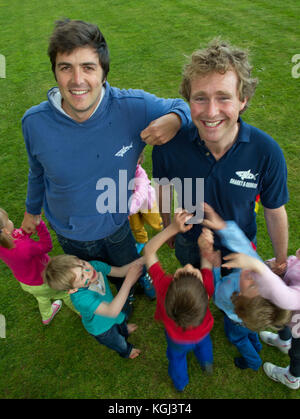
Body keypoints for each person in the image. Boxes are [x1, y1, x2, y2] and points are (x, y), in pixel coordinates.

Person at [21, 19, 191, 312]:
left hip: (116, 224)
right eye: (66, 67)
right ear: (55, 72)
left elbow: (185, 106)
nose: (77, 80)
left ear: (103, 71)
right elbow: (37, 172)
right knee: (95, 277)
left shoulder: (133, 107)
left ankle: (139, 287)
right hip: (69, 232)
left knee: (128, 264)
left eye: (88, 67)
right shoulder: (34, 123)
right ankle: (117, 297)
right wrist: (31, 211)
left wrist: (175, 119)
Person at [152, 38, 289, 274]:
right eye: (200, 98)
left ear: (243, 100)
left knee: (237, 304)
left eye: (224, 97)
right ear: (189, 100)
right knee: (197, 298)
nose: (211, 111)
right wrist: (168, 227)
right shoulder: (168, 147)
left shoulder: (266, 152)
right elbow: (163, 187)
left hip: (239, 247)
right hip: (189, 242)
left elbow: (274, 210)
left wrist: (280, 260)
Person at [201, 204, 290, 371]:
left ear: (239, 296)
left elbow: (215, 293)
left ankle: (253, 361)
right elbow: (244, 246)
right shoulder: (258, 275)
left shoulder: (228, 293)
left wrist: (214, 267)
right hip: (250, 323)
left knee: (239, 339)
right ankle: (257, 345)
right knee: (251, 332)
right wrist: (220, 224)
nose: (252, 276)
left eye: (251, 285)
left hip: (236, 323)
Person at [143, 209, 214, 392]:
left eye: (184, 271)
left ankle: (180, 383)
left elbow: (148, 251)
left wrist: (172, 228)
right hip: (202, 332)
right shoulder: (206, 288)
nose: (188, 265)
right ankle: (206, 363)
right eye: (192, 271)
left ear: (172, 281)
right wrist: (206, 248)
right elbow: (206, 263)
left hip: (176, 339)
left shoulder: (163, 286)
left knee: (176, 358)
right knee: (204, 346)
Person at [223, 249, 300, 389]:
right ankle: (283, 342)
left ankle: (292, 378)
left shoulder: (287, 298)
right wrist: (266, 266)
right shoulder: (281, 301)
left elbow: (285, 296)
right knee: (283, 324)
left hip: (297, 325)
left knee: (297, 354)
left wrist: (258, 267)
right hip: (292, 319)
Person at [44, 254, 143, 359]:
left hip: (116, 314)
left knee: (121, 325)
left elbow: (121, 271)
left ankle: (124, 331)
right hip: (102, 328)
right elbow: (111, 311)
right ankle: (127, 351)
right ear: (72, 289)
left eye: (82, 263)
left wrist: (145, 258)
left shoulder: (94, 266)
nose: (88, 271)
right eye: (82, 276)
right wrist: (129, 281)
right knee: (118, 342)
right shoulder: (81, 299)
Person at [0, 208, 78, 325]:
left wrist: (27, 229)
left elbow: (20, 235)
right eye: (8, 220)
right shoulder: (24, 247)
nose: (11, 221)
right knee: (65, 292)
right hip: (44, 280)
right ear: (5, 231)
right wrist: (40, 225)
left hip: (27, 283)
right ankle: (80, 310)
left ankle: (46, 316)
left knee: (42, 297)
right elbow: (46, 246)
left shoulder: (5, 241)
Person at [129, 150, 163, 254]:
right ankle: (141, 241)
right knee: (135, 226)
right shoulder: (118, 173)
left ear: (139, 161)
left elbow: (141, 193)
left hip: (146, 203)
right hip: (130, 207)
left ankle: (167, 231)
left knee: (155, 223)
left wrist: (127, 211)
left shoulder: (140, 173)